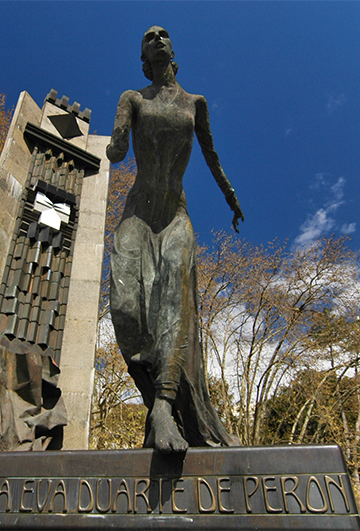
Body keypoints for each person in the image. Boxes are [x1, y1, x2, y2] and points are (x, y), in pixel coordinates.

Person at [107, 26, 244, 453]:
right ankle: (155, 406)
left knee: (172, 307)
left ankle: (165, 408)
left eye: (164, 35)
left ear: (172, 51)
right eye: (150, 37)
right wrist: (116, 141)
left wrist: (230, 196)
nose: (158, 37)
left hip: (175, 218)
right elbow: (116, 152)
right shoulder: (132, 98)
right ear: (145, 58)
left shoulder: (195, 103)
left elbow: (211, 154)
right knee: (125, 307)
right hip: (139, 215)